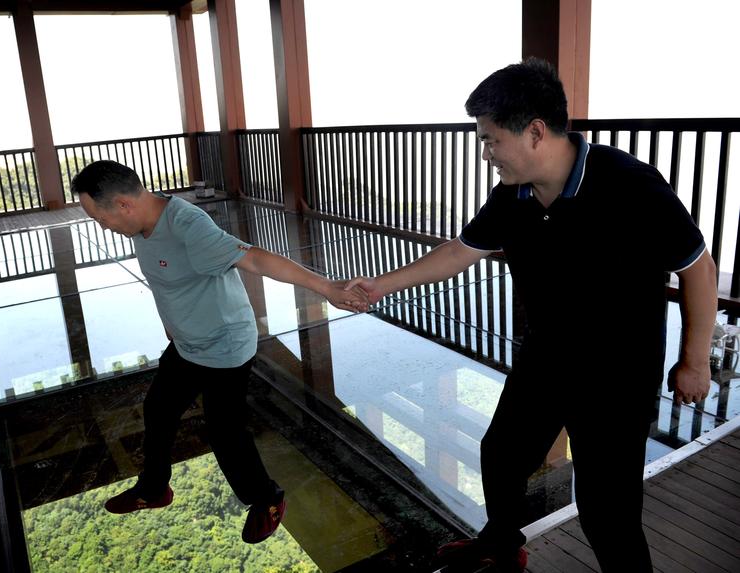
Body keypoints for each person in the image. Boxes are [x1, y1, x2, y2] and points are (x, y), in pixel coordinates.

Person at [345, 59, 717, 572]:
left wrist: (694, 361)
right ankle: (502, 545)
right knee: (501, 457)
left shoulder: (630, 186)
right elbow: (461, 251)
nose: (485, 154)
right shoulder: (513, 196)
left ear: (536, 132)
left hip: (617, 373)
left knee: (607, 511)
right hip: (547, 356)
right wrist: (378, 286)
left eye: (491, 140)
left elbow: (698, 268)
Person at [71, 160, 367, 544]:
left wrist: (327, 287)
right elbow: (170, 281)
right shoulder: (143, 225)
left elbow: (256, 258)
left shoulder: (188, 226)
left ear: (124, 205)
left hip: (224, 346)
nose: (103, 227)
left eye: (100, 218)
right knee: (158, 410)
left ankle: (268, 499)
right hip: (188, 343)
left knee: (225, 433)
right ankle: (154, 489)